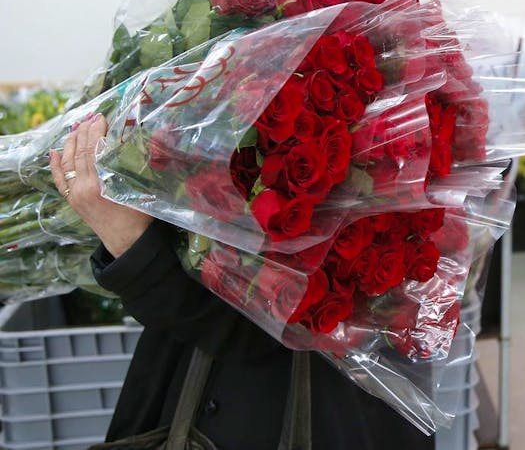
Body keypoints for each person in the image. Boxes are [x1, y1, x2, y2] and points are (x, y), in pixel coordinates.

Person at [49, 113, 433, 450]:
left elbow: (265, 328)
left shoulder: (399, 116)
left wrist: (132, 244)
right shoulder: (413, 96)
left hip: (280, 408)